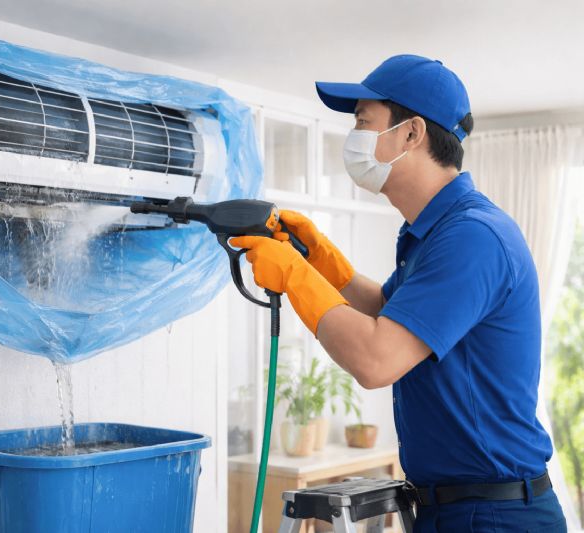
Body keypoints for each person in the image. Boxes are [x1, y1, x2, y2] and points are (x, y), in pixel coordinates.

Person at [230, 55, 567, 532]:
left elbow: (376, 358)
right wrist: (325, 265)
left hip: (493, 516)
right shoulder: (433, 232)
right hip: (454, 509)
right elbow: (392, 316)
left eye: (364, 122)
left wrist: (293, 276)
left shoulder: (471, 237)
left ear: (411, 134)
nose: (354, 137)